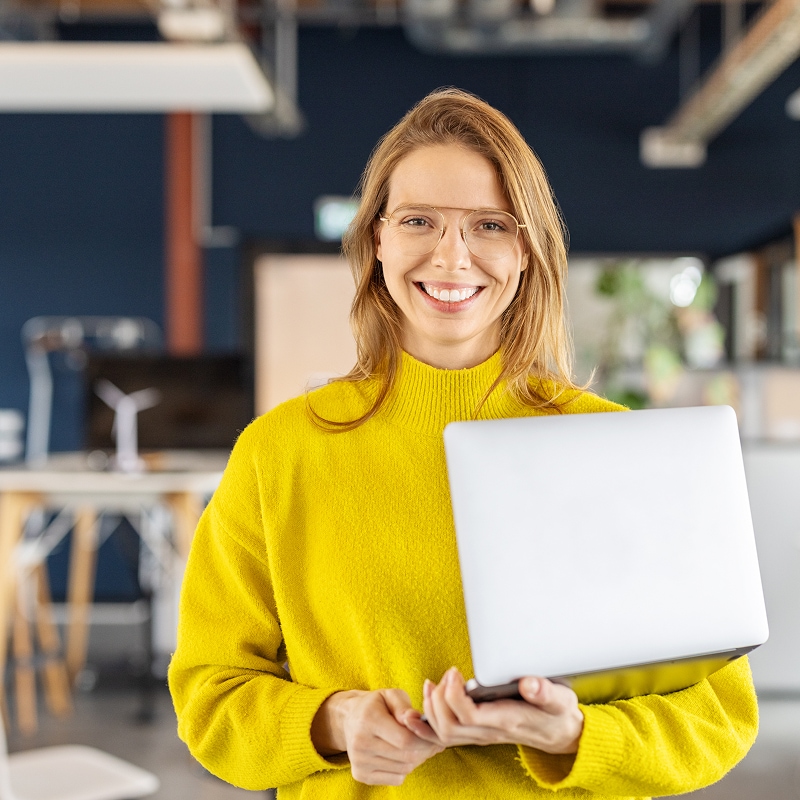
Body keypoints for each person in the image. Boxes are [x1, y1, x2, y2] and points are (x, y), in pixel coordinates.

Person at [168, 88, 758, 799]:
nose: (452, 257)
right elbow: (209, 698)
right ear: (377, 238)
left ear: (528, 249)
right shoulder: (279, 452)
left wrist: (575, 737)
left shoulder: (616, 445)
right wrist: (335, 720)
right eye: (419, 220)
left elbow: (718, 716)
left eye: (489, 225)